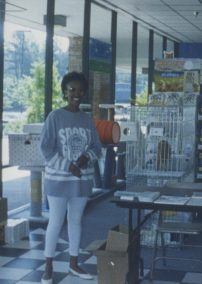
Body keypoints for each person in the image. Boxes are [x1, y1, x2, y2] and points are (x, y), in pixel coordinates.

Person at [39, 71, 102, 284]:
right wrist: (69, 166)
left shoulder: (86, 119)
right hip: (58, 180)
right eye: (71, 89)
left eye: (79, 90)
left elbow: (96, 147)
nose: (76, 93)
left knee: (76, 221)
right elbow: (46, 148)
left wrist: (85, 159)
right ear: (65, 92)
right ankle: (48, 267)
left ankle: (74, 263)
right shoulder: (54, 117)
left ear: (84, 92)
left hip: (82, 181)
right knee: (56, 221)